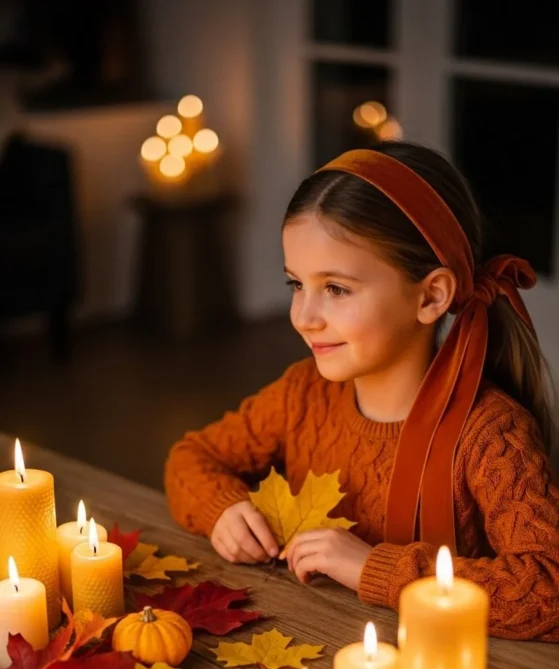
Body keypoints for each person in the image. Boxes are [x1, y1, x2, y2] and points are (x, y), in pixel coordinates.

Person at [165, 141, 559, 642]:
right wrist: (221, 507)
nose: (304, 317)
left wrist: (378, 568)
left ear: (431, 295)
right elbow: (191, 456)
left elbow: (549, 588)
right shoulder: (302, 395)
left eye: (336, 289)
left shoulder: (491, 434)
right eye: (295, 284)